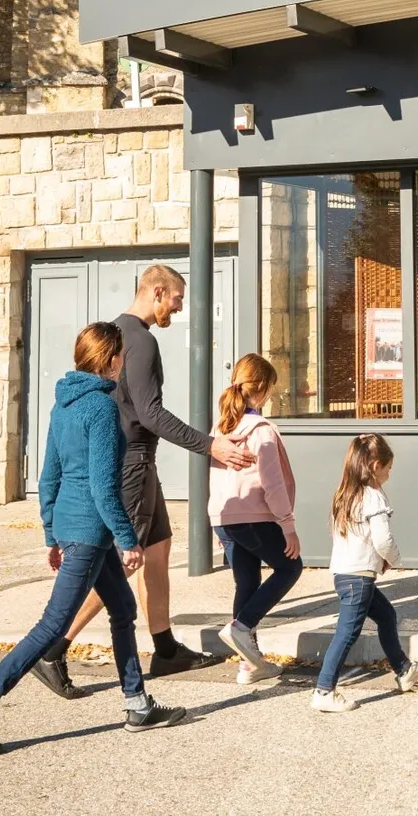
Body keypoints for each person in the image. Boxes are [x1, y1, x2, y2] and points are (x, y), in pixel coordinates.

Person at [0, 323, 185, 756]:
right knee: (52, 626)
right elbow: (103, 486)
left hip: (73, 528)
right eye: (121, 355)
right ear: (111, 360)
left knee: (123, 609)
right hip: (91, 533)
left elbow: (49, 477)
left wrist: (50, 532)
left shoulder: (63, 404)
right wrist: (128, 539)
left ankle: (137, 705)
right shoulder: (101, 408)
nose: (124, 361)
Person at [33, 264, 254, 699]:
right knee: (119, 563)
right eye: (177, 298)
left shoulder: (120, 333)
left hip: (139, 462)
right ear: (157, 292)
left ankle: (165, 648)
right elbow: (150, 414)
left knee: (158, 549)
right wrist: (211, 445)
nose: (180, 306)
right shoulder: (141, 340)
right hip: (130, 463)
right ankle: (53, 650)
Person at [311, 433, 418, 713]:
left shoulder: (346, 494)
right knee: (346, 634)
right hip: (359, 578)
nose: (389, 473)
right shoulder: (373, 497)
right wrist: (394, 559)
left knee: (386, 616)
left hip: (346, 574)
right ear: (376, 466)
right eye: (388, 468)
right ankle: (324, 690)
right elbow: (382, 540)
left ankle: (403, 670)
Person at [209, 354, 303, 684]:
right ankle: (242, 626)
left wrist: (216, 520)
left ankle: (249, 664)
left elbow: (215, 476)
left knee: (247, 582)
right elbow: (272, 482)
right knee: (290, 567)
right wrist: (288, 525)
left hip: (226, 516)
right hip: (254, 516)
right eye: (272, 387)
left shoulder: (223, 426)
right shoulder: (261, 430)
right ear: (262, 388)